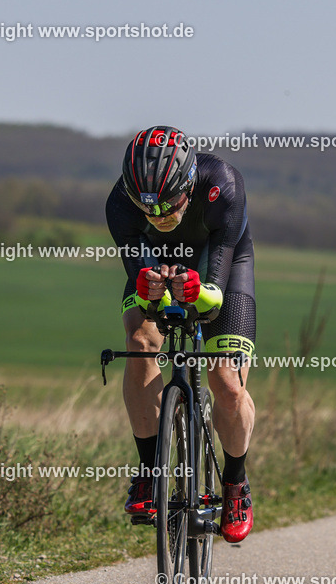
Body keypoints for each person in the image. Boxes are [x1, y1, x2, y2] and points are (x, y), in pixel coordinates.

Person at [105, 125, 257, 543]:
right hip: (157, 260)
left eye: (168, 206)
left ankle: (235, 483)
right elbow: (141, 282)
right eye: (147, 209)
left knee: (226, 382)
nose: (158, 217)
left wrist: (197, 291)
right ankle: (150, 471)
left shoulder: (224, 185)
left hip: (220, 264)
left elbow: (213, 298)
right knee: (140, 343)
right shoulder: (119, 204)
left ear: (189, 182)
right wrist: (148, 289)